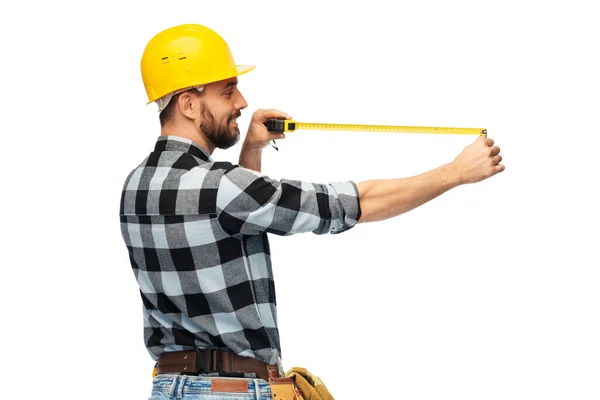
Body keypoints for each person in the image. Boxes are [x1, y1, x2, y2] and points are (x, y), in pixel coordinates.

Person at [119, 23, 504, 400]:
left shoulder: (134, 188)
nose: (241, 103)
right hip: (233, 391)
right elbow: (357, 203)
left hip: (169, 388)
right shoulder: (223, 186)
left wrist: (251, 151)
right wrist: (457, 172)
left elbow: (230, 224)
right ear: (188, 103)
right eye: (228, 91)